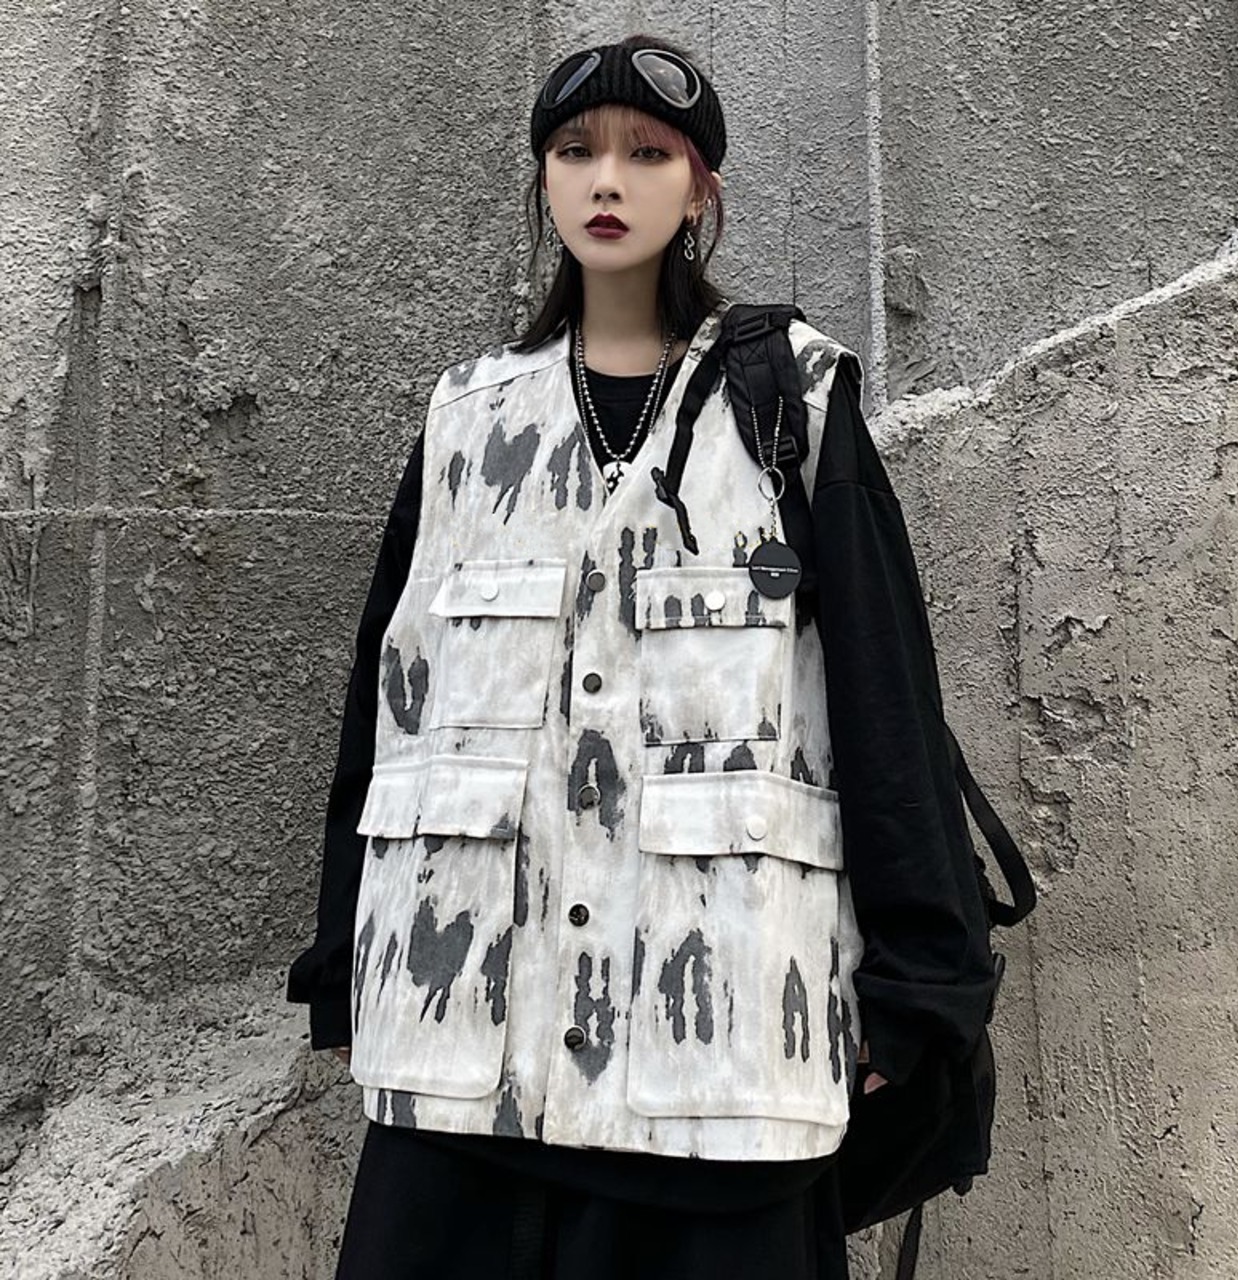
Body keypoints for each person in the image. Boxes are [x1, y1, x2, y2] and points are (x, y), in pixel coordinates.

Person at [286, 32, 997, 1280]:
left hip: (718, 1073)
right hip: (465, 1081)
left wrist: (919, 979)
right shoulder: (466, 421)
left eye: (646, 154)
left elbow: (883, 697)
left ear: (700, 188)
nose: (606, 180)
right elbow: (389, 706)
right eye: (575, 151)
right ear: (542, 180)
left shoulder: (790, 403)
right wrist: (345, 956)